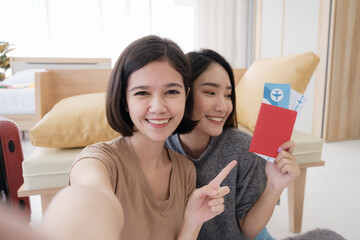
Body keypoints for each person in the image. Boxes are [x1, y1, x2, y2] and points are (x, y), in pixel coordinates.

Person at [39, 36, 237, 240]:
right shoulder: (97, 162)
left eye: (171, 91)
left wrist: (192, 221)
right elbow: (91, 198)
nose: (158, 107)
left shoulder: (185, 171)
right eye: (142, 93)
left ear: (186, 96)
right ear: (124, 100)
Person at [166, 49, 300, 240]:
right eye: (210, 92)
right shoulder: (159, 147)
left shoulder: (243, 147)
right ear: (183, 94)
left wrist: (273, 187)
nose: (223, 106)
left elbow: (249, 230)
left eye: (228, 95)